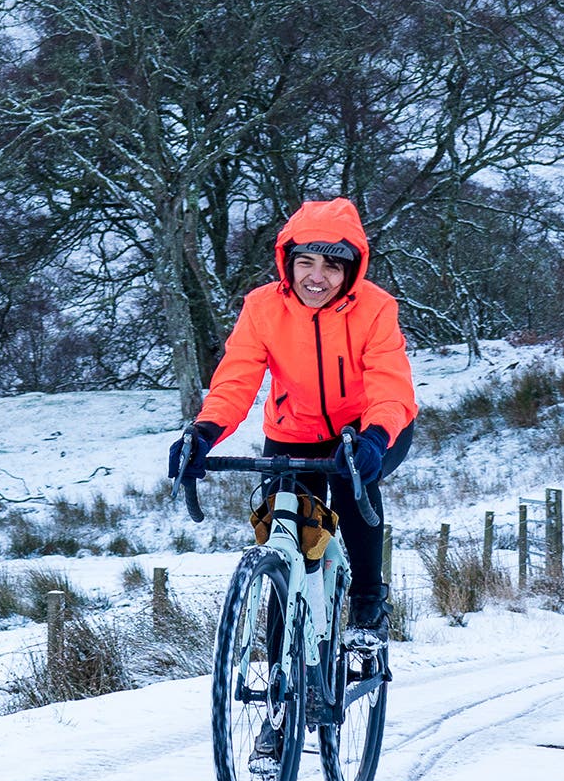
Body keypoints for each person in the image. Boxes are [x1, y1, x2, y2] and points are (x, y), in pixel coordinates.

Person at [174, 197, 419, 637]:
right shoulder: (262, 307)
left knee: (353, 483)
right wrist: (204, 433)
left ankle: (367, 599)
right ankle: (286, 647)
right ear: (288, 263)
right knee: (291, 535)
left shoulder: (376, 308)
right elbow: (236, 380)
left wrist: (376, 436)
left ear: (351, 271)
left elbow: (389, 383)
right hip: (294, 431)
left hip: (369, 429)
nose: (316, 277)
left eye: (332, 266)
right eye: (305, 262)